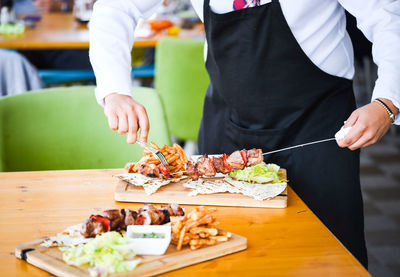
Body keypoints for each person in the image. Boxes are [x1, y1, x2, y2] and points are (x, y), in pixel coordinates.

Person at [88, 0, 400, 268]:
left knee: (328, 256)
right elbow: (116, 6)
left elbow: (388, 16)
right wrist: (115, 90)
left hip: (319, 124)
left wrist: (388, 100)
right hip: (228, 126)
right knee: (222, 255)